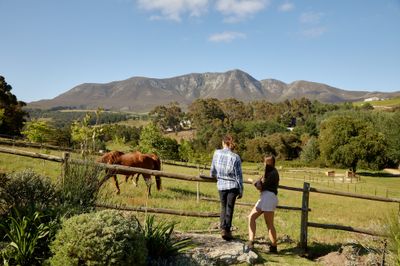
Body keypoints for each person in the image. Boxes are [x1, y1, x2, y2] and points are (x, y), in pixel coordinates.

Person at [210, 135, 243, 241]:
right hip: (232, 186)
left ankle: (222, 228)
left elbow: (213, 171)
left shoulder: (216, 153)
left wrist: (214, 176)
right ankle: (227, 230)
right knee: (230, 208)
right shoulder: (235, 157)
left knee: (223, 207)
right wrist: (241, 189)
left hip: (221, 185)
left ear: (223, 143)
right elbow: (238, 176)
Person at [247, 155, 280, 253]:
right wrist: (257, 181)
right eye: (265, 161)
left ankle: (274, 246)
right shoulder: (268, 172)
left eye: (267, 162)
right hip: (264, 197)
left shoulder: (273, 173)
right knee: (251, 217)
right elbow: (260, 183)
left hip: (269, 197)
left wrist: (252, 181)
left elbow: (260, 186)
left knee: (269, 224)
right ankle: (251, 241)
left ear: (272, 163)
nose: (265, 163)